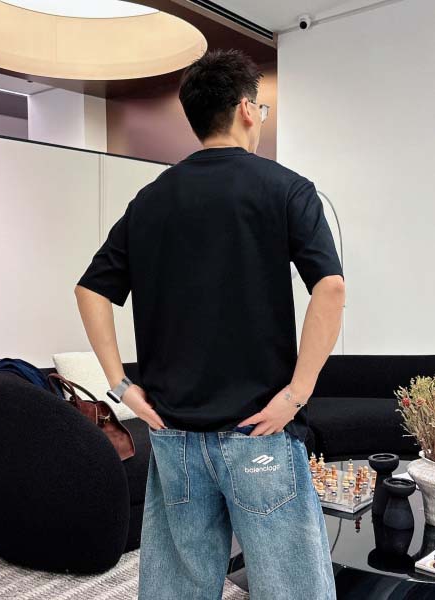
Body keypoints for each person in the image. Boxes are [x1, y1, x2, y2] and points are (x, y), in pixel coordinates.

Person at [75, 48, 344, 600]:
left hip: (173, 435)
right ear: (246, 109)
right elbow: (331, 287)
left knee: (178, 590)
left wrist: (121, 386)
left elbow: (91, 290)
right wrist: (297, 394)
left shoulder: (150, 200)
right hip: (260, 431)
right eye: (261, 110)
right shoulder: (287, 188)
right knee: (293, 590)